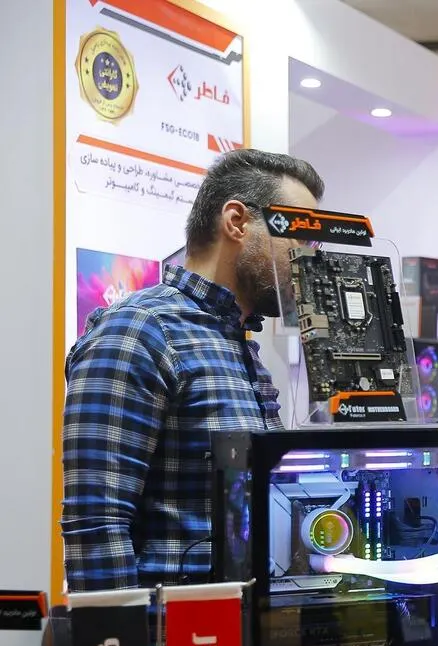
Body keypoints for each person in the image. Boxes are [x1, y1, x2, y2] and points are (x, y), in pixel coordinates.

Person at [61, 148, 326, 591]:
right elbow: (97, 522)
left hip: (242, 622)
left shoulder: (237, 342)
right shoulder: (140, 330)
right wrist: (121, 636)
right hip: (172, 630)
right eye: (301, 238)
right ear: (237, 222)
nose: (309, 260)